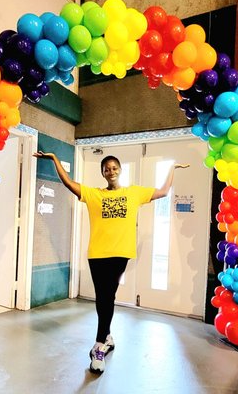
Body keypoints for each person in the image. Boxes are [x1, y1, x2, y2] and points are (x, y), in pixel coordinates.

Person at [33, 150, 189, 374]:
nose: (111, 171)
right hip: (97, 254)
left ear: (120, 170)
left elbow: (163, 192)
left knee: (108, 295)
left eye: (114, 167)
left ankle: (100, 344)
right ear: (103, 173)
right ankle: (105, 338)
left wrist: (172, 168)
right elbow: (68, 182)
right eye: (107, 169)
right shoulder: (94, 194)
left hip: (120, 254)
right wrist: (54, 159)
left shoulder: (134, 193)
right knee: (103, 296)